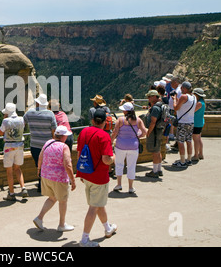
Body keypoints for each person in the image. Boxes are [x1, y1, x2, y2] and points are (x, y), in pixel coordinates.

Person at [76, 109, 117, 247]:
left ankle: (107, 228)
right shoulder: (104, 136)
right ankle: (84, 239)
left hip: (86, 174)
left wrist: (81, 172)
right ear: (105, 122)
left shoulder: (83, 132)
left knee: (99, 204)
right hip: (99, 176)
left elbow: (79, 154)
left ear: (93, 120)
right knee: (94, 207)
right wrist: (114, 158)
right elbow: (106, 159)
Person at [33, 125, 76, 232]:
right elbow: (68, 164)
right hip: (59, 178)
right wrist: (73, 180)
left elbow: (40, 157)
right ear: (63, 136)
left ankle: (39, 218)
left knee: (52, 198)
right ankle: (62, 225)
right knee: (63, 200)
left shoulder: (48, 143)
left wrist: (39, 170)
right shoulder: (64, 147)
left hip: (46, 175)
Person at [23, 94, 57, 192]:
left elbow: (22, 124)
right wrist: (54, 142)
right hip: (48, 145)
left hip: (35, 145)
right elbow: (54, 130)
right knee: (48, 164)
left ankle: (41, 184)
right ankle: (46, 185)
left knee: (39, 165)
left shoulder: (29, 113)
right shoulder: (50, 114)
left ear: (38, 103)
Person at [111, 102, 147, 194]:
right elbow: (144, 132)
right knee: (131, 166)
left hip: (120, 146)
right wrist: (137, 137)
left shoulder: (120, 120)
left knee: (119, 164)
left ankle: (119, 184)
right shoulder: (138, 120)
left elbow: (115, 132)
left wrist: (110, 141)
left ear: (126, 111)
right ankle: (131, 187)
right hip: (133, 146)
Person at [0, 102, 28, 201]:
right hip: (20, 146)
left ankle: (11, 193)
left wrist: (4, 121)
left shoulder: (6, 121)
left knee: (9, 171)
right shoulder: (21, 119)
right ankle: (23, 188)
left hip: (9, 147)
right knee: (18, 168)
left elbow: (0, 132)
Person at [172, 81, 197, 168]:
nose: (181, 90)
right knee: (189, 141)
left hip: (183, 122)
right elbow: (183, 106)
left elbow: (176, 108)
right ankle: (189, 160)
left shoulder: (183, 96)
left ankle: (182, 161)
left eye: (182, 88)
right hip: (191, 122)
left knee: (180, 142)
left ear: (185, 89)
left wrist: (174, 99)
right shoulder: (194, 97)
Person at [144, 90, 164, 178]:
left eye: (149, 96)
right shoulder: (160, 105)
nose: (148, 98)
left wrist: (149, 132)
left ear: (154, 97)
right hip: (159, 131)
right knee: (158, 150)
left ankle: (155, 171)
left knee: (154, 152)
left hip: (154, 132)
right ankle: (159, 169)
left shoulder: (155, 108)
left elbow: (153, 122)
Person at [192, 88, 206, 162]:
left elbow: (192, 111)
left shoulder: (199, 103)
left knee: (196, 139)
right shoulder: (202, 102)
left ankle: (196, 155)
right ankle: (200, 154)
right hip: (200, 122)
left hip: (196, 123)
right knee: (199, 138)